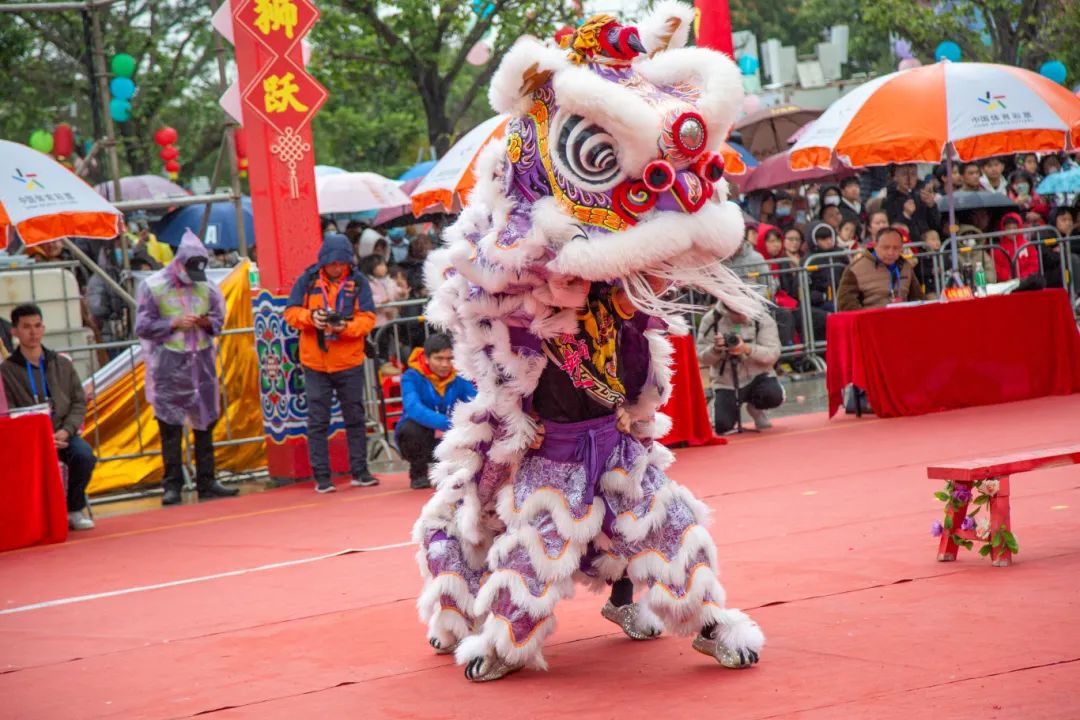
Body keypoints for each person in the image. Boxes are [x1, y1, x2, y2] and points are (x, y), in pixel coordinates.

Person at [134, 230, 238, 506]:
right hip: (169, 365)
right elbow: (142, 326)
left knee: (205, 423)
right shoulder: (154, 286)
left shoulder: (207, 286)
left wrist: (206, 323)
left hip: (201, 363)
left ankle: (207, 481)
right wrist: (173, 324)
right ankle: (172, 485)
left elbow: (219, 319)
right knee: (170, 427)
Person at [284, 233, 380, 492]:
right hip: (315, 363)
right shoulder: (308, 279)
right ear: (323, 262)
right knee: (317, 421)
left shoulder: (358, 281)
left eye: (341, 263)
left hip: (349, 361)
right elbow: (291, 312)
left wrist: (344, 326)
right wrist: (311, 318)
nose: (337, 268)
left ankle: (360, 471)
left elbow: (368, 318)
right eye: (332, 263)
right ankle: (322, 477)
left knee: (355, 418)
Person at [1, 304, 96, 530]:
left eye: (37, 326)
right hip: (29, 439)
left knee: (84, 456)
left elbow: (77, 401)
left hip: (62, 433)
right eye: (26, 327)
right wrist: (38, 435)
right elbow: (10, 410)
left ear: (43, 328)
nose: (33, 333)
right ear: (14, 332)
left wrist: (67, 430)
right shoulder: (6, 371)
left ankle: (73, 508)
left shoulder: (61, 363)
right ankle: (33, 517)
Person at [396, 334, 477, 489]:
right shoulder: (411, 377)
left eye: (449, 358)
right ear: (426, 358)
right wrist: (450, 423)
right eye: (439, 359)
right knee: (411, 429)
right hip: (422, 436)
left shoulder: (459, 376)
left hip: (450, 436)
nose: (445, 364)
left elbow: (474, 399)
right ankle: (418, 473)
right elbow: (413, 408)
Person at [696, 302, 783, 434]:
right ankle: (721, 404)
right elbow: (702, 357)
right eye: (735, 311)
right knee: (722, 426)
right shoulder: (711, 319)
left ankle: (756, 409)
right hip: (726, 381)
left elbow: (772, 355)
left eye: (742, 310)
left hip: (759, 375)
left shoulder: (763, 318)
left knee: (773, 395)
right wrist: (715, 350)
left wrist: (747, 349)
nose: (739, 315)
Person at [837, 227, 925, 311]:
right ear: (875, 245)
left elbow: (917, 298)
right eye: (886, 248)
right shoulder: (855, 268)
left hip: (902, 319)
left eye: (896, 248)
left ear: (901, 248)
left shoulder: (906, 267)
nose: (891, 252)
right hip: (872, 321)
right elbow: (845, 304)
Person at [993, 212, 1040, 282]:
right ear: (1003, 229)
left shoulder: (1028, 245)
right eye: (1008, 228)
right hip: (1006, 283)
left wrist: (1022, 277)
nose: (1012, 231)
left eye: (1014, 228)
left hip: (1026, 281)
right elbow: (996, 267)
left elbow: (1034, 264)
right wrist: (1007, 277)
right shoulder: (998, 249)